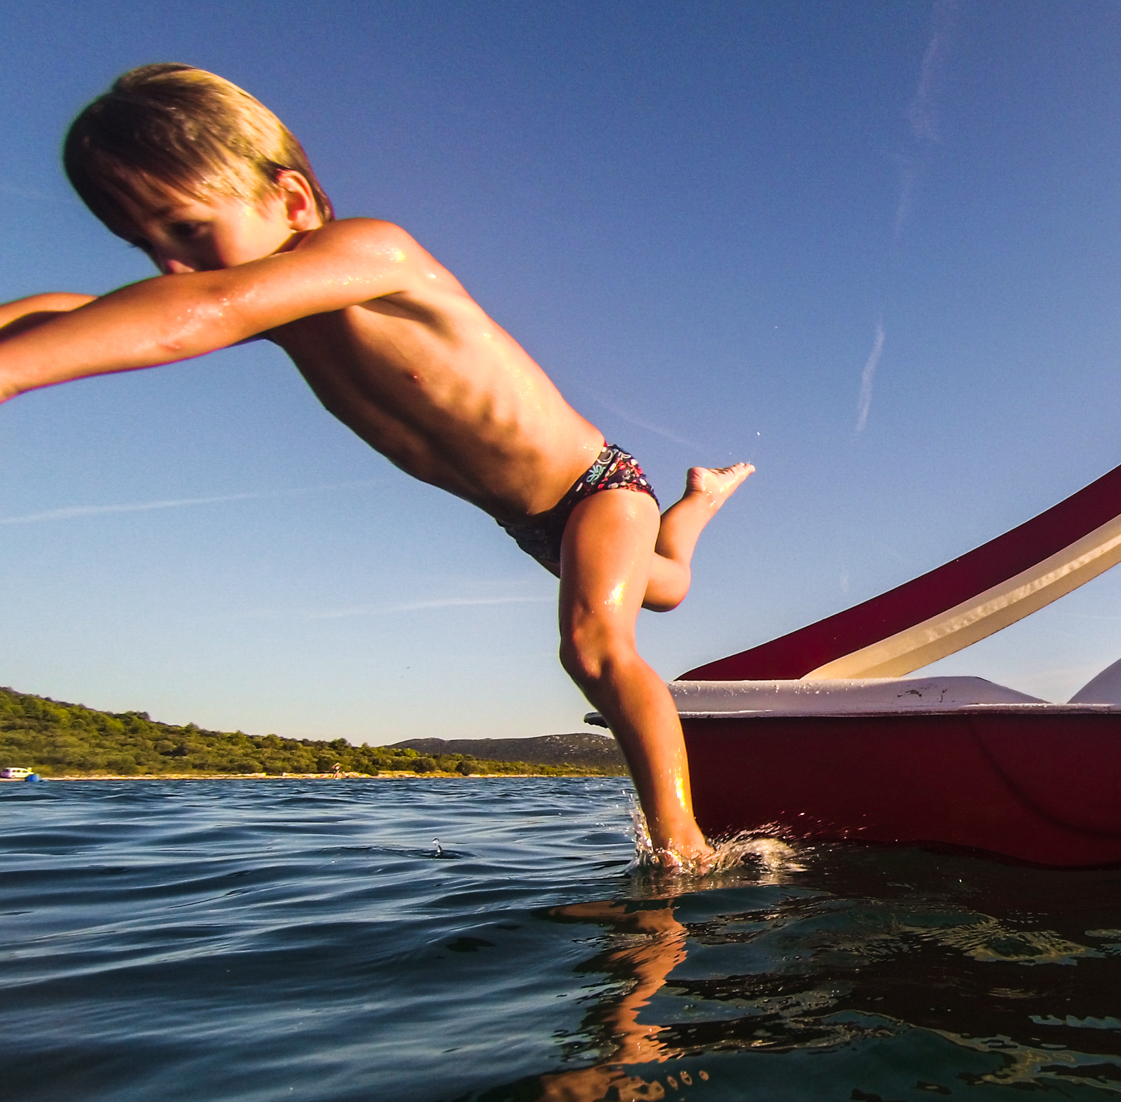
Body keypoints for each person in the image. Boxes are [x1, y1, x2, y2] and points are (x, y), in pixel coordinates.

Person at [0, 65, 750, 867]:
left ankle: (682, 851)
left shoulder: (373, 251)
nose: (173, 268)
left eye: (185, 230)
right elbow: (85, 309)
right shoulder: (283, 316)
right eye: (148, 247)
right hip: (531, 521)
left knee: (595, 647)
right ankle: (699, 505)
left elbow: (196, 316)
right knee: (668, 589)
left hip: (596, 485)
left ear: (290, 200)